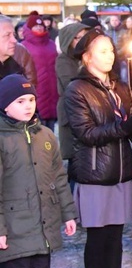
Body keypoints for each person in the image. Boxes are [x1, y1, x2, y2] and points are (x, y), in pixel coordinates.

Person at [64, 27, 132, 268]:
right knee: (98, 238)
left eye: (111, 50)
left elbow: (130, 127)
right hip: (96, 174)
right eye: (102, 51)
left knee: (115, 236)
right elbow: (86, 134)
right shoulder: (77, 90)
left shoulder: (120, 87)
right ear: (86, 57)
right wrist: (124, 128)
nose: (109, 55)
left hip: (121, 172)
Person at [0, 75, 76, 268]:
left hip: (43, 222)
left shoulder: (45, 136)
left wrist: (68, 214)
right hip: (15, 224)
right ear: (5, 106)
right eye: (20, 101)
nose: (28, 105)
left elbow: (58, 178)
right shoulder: (2, 140)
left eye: (31, 99)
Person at [55, 22, 89, 188]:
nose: (82, 41)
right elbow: (71, 84)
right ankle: (73, 202)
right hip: (70, 112)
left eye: (84, 36)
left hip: (84, 112)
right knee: (75, 162)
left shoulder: (85, 56)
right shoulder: (64, 60)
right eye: (77, 38)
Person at [19, 13, 58, 130]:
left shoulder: (51, 44)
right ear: (30, 28)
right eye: (36, 26)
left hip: (53, 91)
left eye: (41, 26)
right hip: (35, 91)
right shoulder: (23, 46)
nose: (39, 28)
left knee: (50, 131)